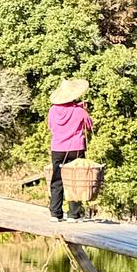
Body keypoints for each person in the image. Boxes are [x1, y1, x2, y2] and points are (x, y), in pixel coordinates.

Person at [47, 78, 92, 222]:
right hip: (76, 148)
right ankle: (74, 213)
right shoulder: (79, 111)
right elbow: (89, 126)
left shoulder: (53, 110)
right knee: (75, 179)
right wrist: (82, 110)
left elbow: (51, 127)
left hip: (58, 148)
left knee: (57, 180)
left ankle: (55, 213)